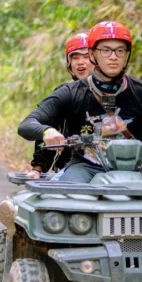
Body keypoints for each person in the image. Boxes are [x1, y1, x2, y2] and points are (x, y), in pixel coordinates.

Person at [18, 21, 142, 184]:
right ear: (92, 54)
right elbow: (27, 124)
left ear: (127, 55)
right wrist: (47, 131)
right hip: (84, 168)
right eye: (106, 50)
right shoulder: (70, 92)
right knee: (66, 197)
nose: (113, 57)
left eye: (120, 50)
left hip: (136, 170)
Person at [25, 32, 93, 179]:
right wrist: (37, 168)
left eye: (86, 56)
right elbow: (47, 129)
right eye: (75, 57)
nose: (80, 62)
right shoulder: (64, 93)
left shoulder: (119, 89)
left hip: (112, 168)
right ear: (69, 63)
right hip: (72, 167)